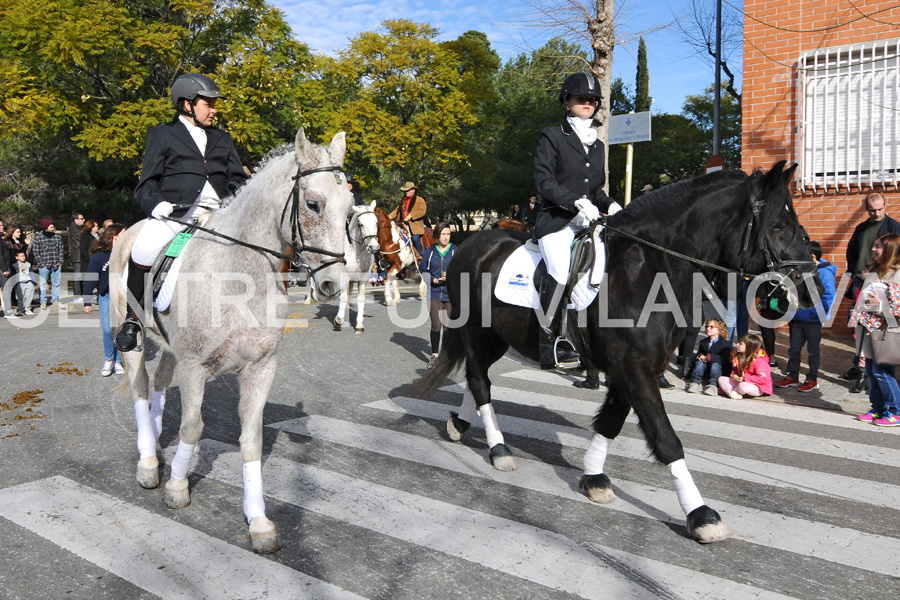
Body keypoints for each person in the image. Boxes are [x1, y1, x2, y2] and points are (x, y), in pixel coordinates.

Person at [116, 72, 248, 352]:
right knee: (143, 249)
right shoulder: (161, 134)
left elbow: (237, 176)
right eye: (208, 104)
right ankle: (133, 319)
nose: (214, 110)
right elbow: (146, 184)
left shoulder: (222, 138)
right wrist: (157, 205)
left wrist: (236, 191)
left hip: (219, 214)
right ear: (187, 104)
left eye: (214, 105)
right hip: (175, 213)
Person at [533, 72, 622, 369]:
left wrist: (612, 204)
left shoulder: (597, 144)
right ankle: (550, 342)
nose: (587, 102)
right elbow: (543, 181)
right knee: (559, 271)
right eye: (580, 98)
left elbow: (596, 190)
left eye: (592, 99)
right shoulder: (553, 135)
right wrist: (573, 200)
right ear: (567, 102)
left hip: (587, 224)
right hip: (556, 221)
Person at [843, 192, 900, 386]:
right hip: (862, 280)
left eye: (880, 209)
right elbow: (851, 250)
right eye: (872, 210)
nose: (876, 213)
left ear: (886, 205)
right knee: (861, 324)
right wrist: (854, 270)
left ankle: (879, 365)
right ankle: (859, 365)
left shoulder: (894, 228)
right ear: (867, 209)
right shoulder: (862, 228)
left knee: (881, 324)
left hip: (884, 280)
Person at [849, 233, 900, 426]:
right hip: (869, 328)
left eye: (878, 246)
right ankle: (878, 409)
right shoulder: (875, 270)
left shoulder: (898, 273)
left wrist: (880, 304)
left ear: (889, 250)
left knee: (882, 372)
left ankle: (896, 411)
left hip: (886, 331)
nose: (873, 249)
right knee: (870, 371)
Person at [774, 241, 837, 393]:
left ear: (812, 256)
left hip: (813, 319)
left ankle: (812, 379)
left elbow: (828, 296)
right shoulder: (801, 270)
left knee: (813, 351)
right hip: (799, 317)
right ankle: (792, 376)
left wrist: (815, 313)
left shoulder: (825, 273)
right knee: (794, 349)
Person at [84, 224, 127, 376]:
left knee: (120, 328)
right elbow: (90, 279)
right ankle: (109, 359)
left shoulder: (126, 253)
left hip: (123, 297)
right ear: (114, 236)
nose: (126, 235)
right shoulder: (99, 256)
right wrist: (87, 301)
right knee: (108, 329)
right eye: (124, 233)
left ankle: (118, 360)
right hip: (106, 296)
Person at [420, 222, 456, 368]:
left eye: (448, 234)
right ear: (437, 235)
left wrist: (451, 276)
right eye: (443, 234)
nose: (446, 237)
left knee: (448, 326)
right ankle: (434, 355)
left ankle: (446, 355)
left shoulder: (455, 250)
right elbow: (423, 270)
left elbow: (461, 269)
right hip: (434, 292)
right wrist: (432, 280)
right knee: (436, 325)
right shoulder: (430, 252)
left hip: (450, 293)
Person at [718, 333, 773, 399]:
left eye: (740, 344)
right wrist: (734, 376)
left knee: (743, 386)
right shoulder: (739, 357)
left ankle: (731, 391)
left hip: (758, 386)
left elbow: (762, 378)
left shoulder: (759, 360)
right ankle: (732, 393)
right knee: (721, 379)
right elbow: (735, 371)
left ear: (749, 347)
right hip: (741, 381)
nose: (737, 344)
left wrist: (745, 378)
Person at [685, 318, 732, 395]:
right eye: (707, 327)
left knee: (716, 364)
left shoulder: (725, 345)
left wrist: (709, 357)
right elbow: (698, 354)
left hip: (719, 371)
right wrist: (700, 356)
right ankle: (696, 382)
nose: (708, 328)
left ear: (720, 330)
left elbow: (725, 359)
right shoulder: (703, 342)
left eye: (711, 327)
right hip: (706, 370)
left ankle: (714, 385)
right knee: (700, 363)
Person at [388, 182, 427, 257]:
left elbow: (422, 211)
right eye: (405, 190)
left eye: (408, 190)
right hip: (402, 224)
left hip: (415, 225)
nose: (406, 192)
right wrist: (388, 217)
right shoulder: (403, 200)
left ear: (413, 190)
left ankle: (421, 254)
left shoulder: (419, 200)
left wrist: (411, 216)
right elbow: (396, 210)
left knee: (415, 238)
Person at [33, 218, 64, 309]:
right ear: (46, 227)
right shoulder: (39, 238)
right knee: (43, 284)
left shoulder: (57, 237)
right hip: (44, 265)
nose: (53, 228)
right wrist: (41, 263)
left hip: (56, 265)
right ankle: (43, 301)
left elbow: (61, 251)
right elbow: (35, 251)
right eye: (51, 226)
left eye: (53, 226)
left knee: (56, 284)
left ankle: (56, 300)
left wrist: (60, 263)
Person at [9, 250, 35, 316]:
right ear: (16, 257)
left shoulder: (28, 264)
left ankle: (27, 309)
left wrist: (33, 282)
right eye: (21, 256)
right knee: (21, 297)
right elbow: (13, 275)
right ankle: (21, 309)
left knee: (29, 296)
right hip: (20, 283)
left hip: (28, 282)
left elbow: (31, 273)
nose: (23, 257)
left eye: (24, 256)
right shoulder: (14, 266)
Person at [68, 212, 85, 298]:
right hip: (77, 255)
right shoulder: (74, 228)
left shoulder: (79, 228)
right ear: (76, 220)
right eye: (81, 219)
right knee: (78, 276)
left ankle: (80, 293)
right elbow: (81, 238)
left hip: (80, 255)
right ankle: (78, 295)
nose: (83, 220)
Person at [0, 219, 10, 317]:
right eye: (0, 225)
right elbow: (0, 256)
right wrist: (5, 269)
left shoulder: (1, 239)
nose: (2, 227)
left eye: (2, 225)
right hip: (2, 269)